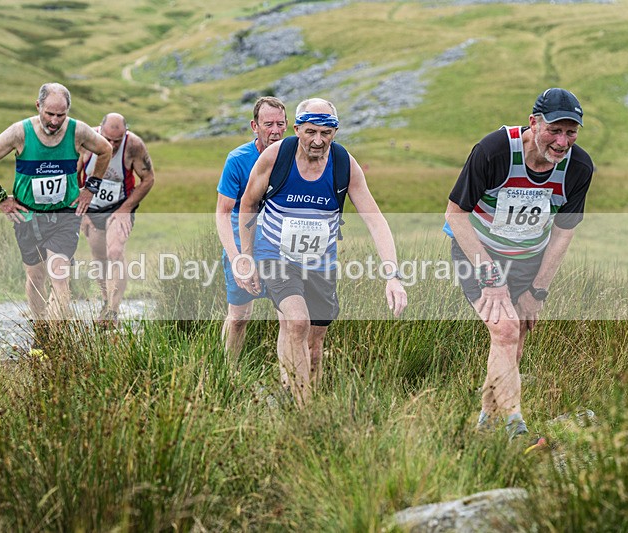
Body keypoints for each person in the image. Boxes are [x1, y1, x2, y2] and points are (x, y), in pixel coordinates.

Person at [443, 88, 594, 442]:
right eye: (554, 130)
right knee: (506, 330)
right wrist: (490, 277)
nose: (561, 142)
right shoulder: (493, 151)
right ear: (533, 123)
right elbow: (456, 214)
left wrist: (538, 291)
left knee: (513, 340)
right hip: (477, 252)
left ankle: (485, 426)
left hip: (529, 260)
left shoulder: (579, 167)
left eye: (570, 132)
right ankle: (516, 427)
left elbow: (563, 232)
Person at [238, 97, 408, 407]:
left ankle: (298, 394)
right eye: (311, 132)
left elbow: (375, 220)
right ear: (297, 129)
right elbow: (249, 204)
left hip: (321, 263)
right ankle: (302, 413)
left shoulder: (344, 164)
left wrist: (392, 275)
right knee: (296, 321)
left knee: (314, 347)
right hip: (276, 255)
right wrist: (246, 256)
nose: (318, 141)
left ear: (335, 131)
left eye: (326, 133)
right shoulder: (276, 158)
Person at [0, 82, 112, 348]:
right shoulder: (20, 132)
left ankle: (55, 344)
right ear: (38, 106)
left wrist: (90, 188)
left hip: (64, 215)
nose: (54, 121)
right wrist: (0, 198)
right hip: (27, 216)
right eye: (49, 114)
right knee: (36, 276)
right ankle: (41, 332)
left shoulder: (78, 131)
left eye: (60, 115)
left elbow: (105, 150)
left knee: (59, 277)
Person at [216, 96, 288, 361]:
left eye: (280, 124)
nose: (275, 130)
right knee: (238, 318)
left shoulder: (295, 156)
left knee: (289, 319)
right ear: (254, 126)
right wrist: (238, 259)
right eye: (268, 124)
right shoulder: (238, 159)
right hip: (242, 242)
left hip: (281, 249)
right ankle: (228, 374)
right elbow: (222, 213)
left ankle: (289, 382)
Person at [78, 112, 156, 324]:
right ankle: (105, 302)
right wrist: (82, 213)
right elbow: (73, 174)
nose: (111, 145)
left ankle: (113, 310)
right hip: (92, 206)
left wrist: (126, 208)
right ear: (100, 130)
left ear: (125, 134)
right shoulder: (85, 140)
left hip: (119, 206)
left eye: (117, 141)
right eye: (107, 139)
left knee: (115, 251)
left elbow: (148, 178)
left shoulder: (134, 145)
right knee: (98, 254)